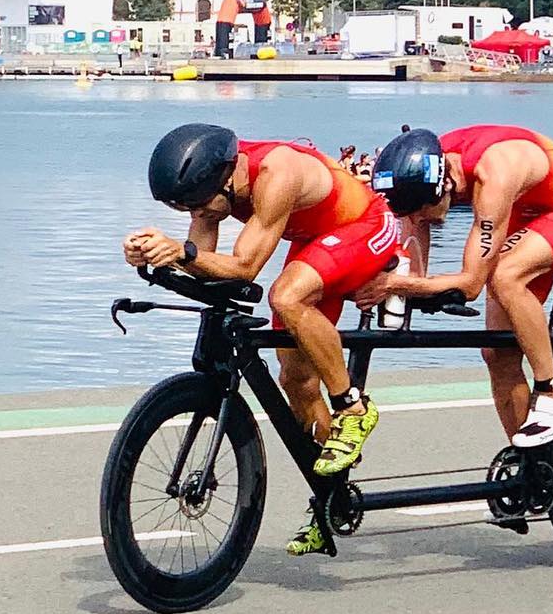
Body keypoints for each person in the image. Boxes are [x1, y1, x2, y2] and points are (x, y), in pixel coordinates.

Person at [124, 124, 399, 553]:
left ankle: (353, 408)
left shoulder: (277, 173)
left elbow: (244, 266)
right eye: (187, 209)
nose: (197, 214)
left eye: (198, 205)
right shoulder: (214, 184)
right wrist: (154, 257)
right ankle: (332, 500)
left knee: (286, 297)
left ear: (225, 181)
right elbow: (202, 267)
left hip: (366, 224)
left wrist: (181, 252)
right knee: (295, 379)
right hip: (315, 238)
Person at [360, 125, 553, 447]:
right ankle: (531, 461)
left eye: (422, 212)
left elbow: (471, 283)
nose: (420, 221)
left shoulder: (495, 172)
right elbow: (414, 244)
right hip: (523, 208)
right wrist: (407, 286)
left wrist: (397, 285)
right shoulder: (426, 173)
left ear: (443, 187)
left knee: (505, 276)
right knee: (497, 354)